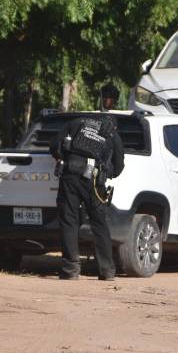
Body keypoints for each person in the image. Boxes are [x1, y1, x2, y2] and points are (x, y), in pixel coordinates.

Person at [50, 114, 125, 280]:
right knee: (99, 224)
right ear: (114, 126)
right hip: (95, 181)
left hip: (70, 175)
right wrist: (106, 173)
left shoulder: (76, 122)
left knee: (69, 221)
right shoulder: (113, 134)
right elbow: (119, 167)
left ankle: (70, 270)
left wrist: (64, 158)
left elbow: (54, 146)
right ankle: (107, 271)